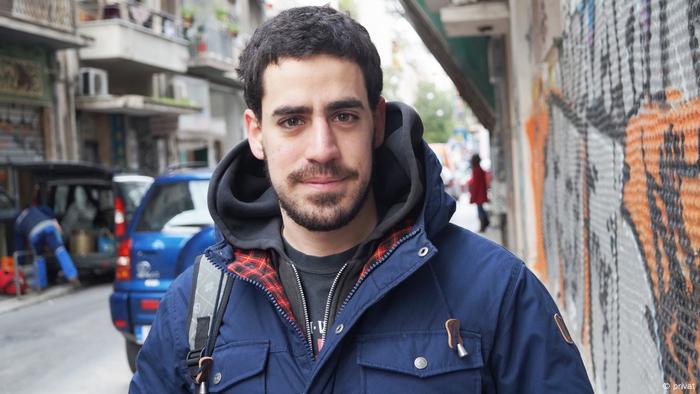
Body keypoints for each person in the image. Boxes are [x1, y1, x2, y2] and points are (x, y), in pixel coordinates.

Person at [131, 6, 593, 393]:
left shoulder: (495, 290)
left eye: (344, 115)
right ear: (256, 133)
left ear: (376, 120)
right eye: (292, 120)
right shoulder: (195, 308)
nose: (322, 149)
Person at [14, 204, 79, 288]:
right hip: (48, 226)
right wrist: (53, 220)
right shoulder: (33, 209)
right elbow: (48, 209)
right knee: (59, 249)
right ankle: (72, 275)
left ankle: (41, 284)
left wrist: (20, 263)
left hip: (34, 233)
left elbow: (20, 246)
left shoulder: (17, 224)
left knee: (39, 257)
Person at [468, 153, 490, 232]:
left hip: (479, 195)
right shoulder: (479, 170)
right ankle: (485, 223)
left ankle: (483, 225)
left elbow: (476, 185)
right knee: (481, 210)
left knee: (480, 211)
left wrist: (473, 196)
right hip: (480, 194)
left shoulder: (477, 170)